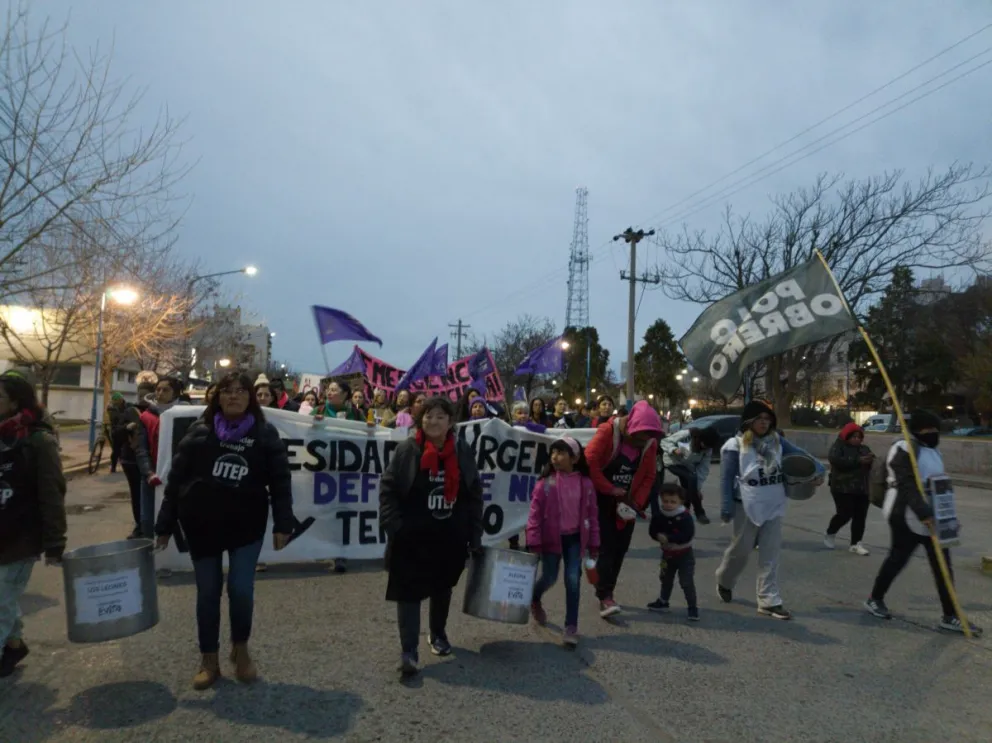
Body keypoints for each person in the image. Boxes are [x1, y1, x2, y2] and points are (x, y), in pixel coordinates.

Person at [155, 372, 298, 689]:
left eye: (241, 391)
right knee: (207, 592)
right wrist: (164, 524)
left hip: (247, 525)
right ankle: (209, 659)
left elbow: (280, 482)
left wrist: (284, 523)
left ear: (250, 398)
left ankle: (240, 650)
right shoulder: (199, 432)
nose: (234, 396)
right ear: (217, 397)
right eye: (227, 391)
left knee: (241, 589)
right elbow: (175, 481)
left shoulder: (265, 434)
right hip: (202, 525)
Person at [378, 396, 484, 676]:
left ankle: (437, 633)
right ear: (419, 420)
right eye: (428, 416)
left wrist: (474, 535)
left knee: (442, 588)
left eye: (440, 416)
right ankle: (409, 651)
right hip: (410, 537)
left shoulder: (461, 451)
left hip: (449, 536)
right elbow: (388, 489)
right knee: (408, 593)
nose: (433, 421)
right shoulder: (408, 450)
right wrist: (395, 526)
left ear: (450, 422)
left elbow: (474, 493)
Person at [864, 410, 981, 634]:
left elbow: (941, 486)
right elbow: (906, 484)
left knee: (943, 565)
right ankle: (875, 598)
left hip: (934, 515)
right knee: (898, 559)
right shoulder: (903, 448)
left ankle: (950, 615)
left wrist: (948, 517)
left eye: (936, 430)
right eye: (928, 429)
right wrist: (923, 512)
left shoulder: (933, 451)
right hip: (905, 513)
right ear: (917, 430)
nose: (933, 433)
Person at [716, 400, 824, 621]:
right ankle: (725, 580)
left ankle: (769, 600)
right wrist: (726, 506)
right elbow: (726, 479)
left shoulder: (777, 441)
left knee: (770, 553)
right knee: (741, 551)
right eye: (759, 419)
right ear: (748, 421)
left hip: (774, 503)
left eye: (767, 419)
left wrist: (818, 470)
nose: (764, 423)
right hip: (746, 505)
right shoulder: (735, 445)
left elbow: (802, 455)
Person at [0, 372, 66, 678]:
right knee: (4, 598)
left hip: (20, 537)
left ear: (15, 402)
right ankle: (13, 644)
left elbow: (52, 493)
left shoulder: (38, 441)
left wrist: (55, 541)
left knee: (1, 598)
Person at [586, 400, 664, 617]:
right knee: (607, 547)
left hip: (627, 503)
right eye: (639, 437)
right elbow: (589, 462)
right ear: (630, 427)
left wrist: (636, 502)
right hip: (601, 497)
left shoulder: (649, 443)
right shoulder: (607, 432)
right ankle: (605, 595)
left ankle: (606, 588)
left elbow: (649, 475)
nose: (642, 442)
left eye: (647, 438)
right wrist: (610, 489)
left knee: (620, 548)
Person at [526, 436, 599, 646]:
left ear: (574, 458)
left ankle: (571, 626)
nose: (555, 457)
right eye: (553, 452)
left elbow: (592, 515)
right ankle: (534, 597)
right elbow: (534, 516)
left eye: (561, 453)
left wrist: (594, 543)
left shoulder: (586, 484)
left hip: (575, 540)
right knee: (549, 577)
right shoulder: (544, 484)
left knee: (573, 580)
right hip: (551, 540)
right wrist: (534, 542)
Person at [134, 377, 186, 539]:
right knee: (148, 520)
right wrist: (148, 473)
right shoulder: (146, 417)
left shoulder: (186, 413)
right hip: (153, 477)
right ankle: (151, 550)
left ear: (175, 393)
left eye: (165, 390)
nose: (160, 393)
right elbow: (141, 449)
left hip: (179, 477)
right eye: (158, 389)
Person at [647, 483, 698, 620]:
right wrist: (657, 536)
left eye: (673, 502)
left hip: (685, 555)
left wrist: (669, 538)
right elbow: (652, 530)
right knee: (665, 578)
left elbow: (687, 535)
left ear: (680, 501)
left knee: (686, 581)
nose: (669, 504)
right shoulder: (659, 515)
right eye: (665, 501)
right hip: (667, 555)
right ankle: (663, 601)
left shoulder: (684, 516)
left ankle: (692, 607)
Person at [824, 422, 874, 556]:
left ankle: (856, 543)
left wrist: (871, 460)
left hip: (862, 488)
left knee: (860, 516)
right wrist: (858, 461)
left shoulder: (864, 449)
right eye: (854, 437)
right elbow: (837, 461)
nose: (857, 439)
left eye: (859, 437)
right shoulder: (838, 448)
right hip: (842, 488)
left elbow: (872, 463)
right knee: (844, 514)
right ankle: (831, 532)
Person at [658, 426, 719, 524]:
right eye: (705, 445)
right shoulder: (687, 434)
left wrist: (697, 488)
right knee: (691, 478)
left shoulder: (708, 450)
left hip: (686, 466)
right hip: (672, 462)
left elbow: (703, 470)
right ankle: (699, 512)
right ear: (700, 438)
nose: (705, 448)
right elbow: (664, 442)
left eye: (708, 447)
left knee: (688, 486)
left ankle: (683, 511)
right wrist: (673, 449)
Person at [106, 393, 127, 473]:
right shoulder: (112, 408)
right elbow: (115, 418)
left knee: (122, 449)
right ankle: (113, 466)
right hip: (117, 431)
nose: (115, 402)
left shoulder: (126, 406)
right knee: (116, 450)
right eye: (114, 401)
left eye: (117, 400)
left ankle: (123, 464)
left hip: (124, 430)